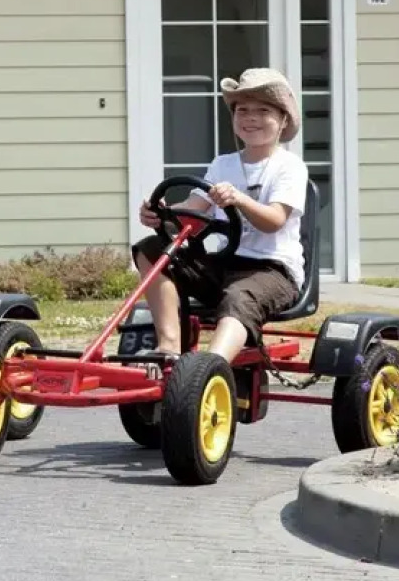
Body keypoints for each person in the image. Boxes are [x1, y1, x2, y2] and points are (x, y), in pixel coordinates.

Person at [132, 67, 309, 364]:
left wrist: (239, 199)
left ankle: (209, 367)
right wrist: (160, 213)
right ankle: (168, 347)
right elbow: (193, 209)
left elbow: (274, 220)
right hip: (224, 265)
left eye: (263, 110)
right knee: (150, 248)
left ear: (283, 120)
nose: (250, 118)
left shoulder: (289, 166)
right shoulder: (222, 165)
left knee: (238, 296)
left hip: (274, 272)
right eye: (242, 110)